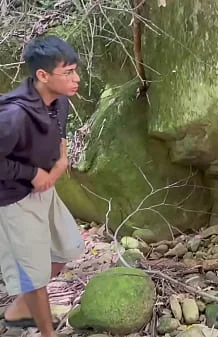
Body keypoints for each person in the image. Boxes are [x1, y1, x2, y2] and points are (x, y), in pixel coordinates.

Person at [0, 35, 84, 337]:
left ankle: (19, 309)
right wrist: (30, 172)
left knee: (67, 249)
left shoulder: (60, 100)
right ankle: (47, 332)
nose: (76, 79)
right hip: (13, 200)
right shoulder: (13, 115)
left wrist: (60, 160)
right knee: (33, 278)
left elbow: (58, 130)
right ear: (42, 75)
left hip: (45, 193)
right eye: (69, 72)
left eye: (76, 70)